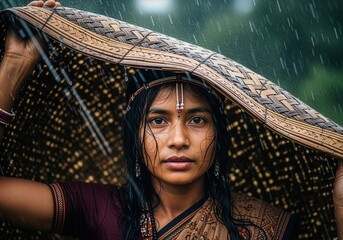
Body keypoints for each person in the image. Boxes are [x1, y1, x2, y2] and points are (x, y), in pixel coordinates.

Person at [0, 1, 342, 239]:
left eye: (197, 120)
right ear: (135, 134)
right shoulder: (100, 209)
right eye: (158, 121)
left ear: (219, 135)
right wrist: (15, 63)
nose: (178, 139)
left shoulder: (262, 227)